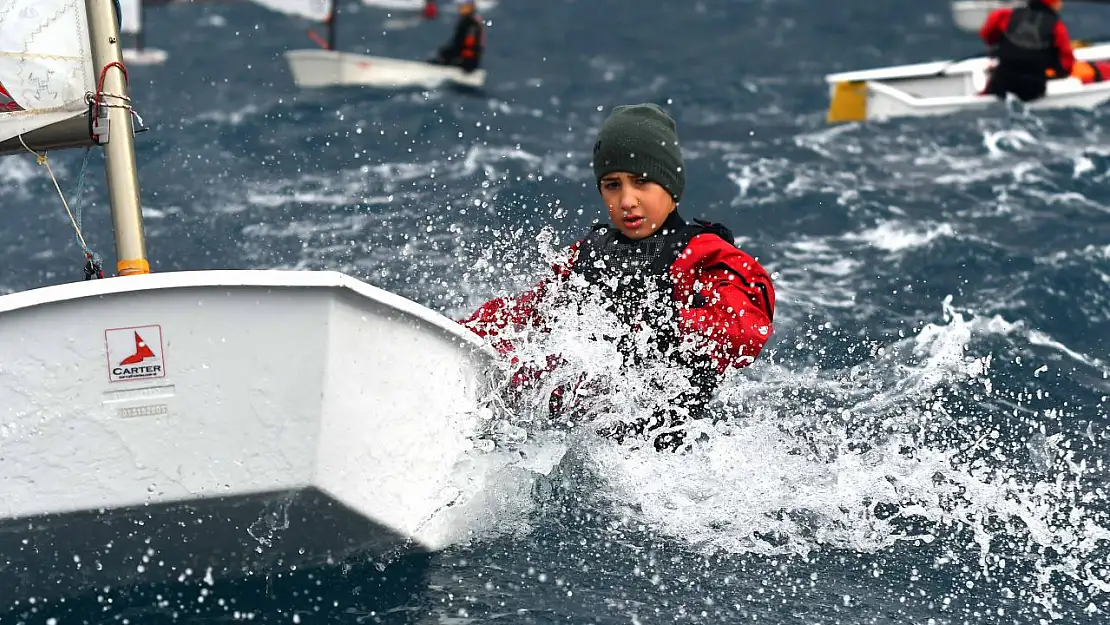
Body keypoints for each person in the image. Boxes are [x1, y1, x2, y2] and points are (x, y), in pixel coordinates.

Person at [460, 103, 776, 452]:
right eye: (612, 185)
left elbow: (746, 329)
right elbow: (525, 317)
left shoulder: (706, 255)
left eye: (642, 182)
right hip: (578, 443)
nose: (627, 200)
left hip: (667, 460)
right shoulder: (586, 255)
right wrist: (457, 334)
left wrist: (671, 325)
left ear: (671, 186)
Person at [979, 0, 1074, 102]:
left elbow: (987, 34)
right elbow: (1066, 62)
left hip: (1003, 79)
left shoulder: (1005, 15)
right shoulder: (1057, 27)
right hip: (1033, 87)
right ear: (1054, 4)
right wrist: (1056, 73)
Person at [429, 0, 484, 72]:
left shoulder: (471, 24)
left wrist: (465, 59)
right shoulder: (465, 21)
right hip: (463, 55)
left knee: (446, 53)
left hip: (467, 59)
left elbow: (470, 43)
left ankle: (444, 67)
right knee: (444, 52)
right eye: (461, 7)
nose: (461, 9)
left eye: (465, 7)